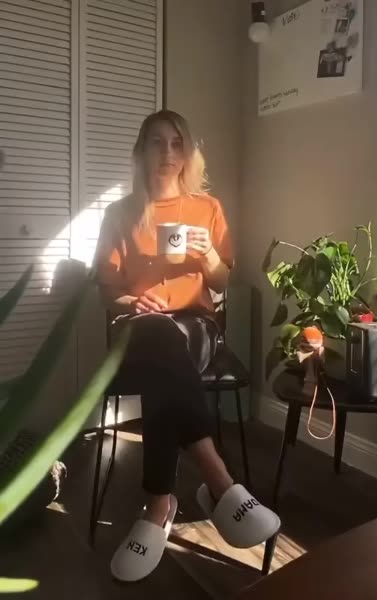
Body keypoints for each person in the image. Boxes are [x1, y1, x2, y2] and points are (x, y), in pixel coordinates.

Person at [93, 110, 280, 583]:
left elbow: (221, 281)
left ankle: (159, 504)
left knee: (166, 359)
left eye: (177, 142)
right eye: (157, 142)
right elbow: (108, 290)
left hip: (196, 327)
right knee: (158, 338)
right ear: (141, 151)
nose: (168, 152)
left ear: (188, 152)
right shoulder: (118, 214)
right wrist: (134, 300)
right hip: (139, 328)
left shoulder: (206, 208)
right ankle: (218, 481)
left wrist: (209, 253)